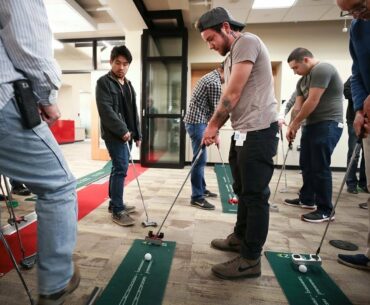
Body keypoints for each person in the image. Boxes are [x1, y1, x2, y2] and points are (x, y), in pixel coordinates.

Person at [0, 1, 79, 304]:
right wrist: (46, 95)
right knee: (59, 185)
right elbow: (26, 37)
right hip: (4, 100)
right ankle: (56, 284)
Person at [196, 7, 279, 279]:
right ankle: (240, 238)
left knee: (255, 196)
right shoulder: (233, 53)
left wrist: (212, 125)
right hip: (243, 132)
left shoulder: (248, 42)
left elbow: (232, 94)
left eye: (211, 39)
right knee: (243, 189)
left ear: (225, 27)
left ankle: (250, 259)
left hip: (258, 132)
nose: (210, 46)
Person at [285, 48, 343, 223]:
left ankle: (326, 210)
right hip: (311, 125)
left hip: (328, 123)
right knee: (307, 164)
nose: (295, 72)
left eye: (296, 68)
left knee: (320, 166)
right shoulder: (302, 81)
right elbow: (298, 106)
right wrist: (292, 126)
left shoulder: (323, 69)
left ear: (306, 60)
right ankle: (307, 199)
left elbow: (313, 100)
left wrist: (296, 124)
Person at [336, 0, 370, 270]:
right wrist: (359, 108)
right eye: (349, 11)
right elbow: (357, 73)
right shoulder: (358, 28)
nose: (356, 15)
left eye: (359, 5)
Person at [96, 45, 142, 227]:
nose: (121, 67)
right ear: (111, 62)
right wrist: (122, 130)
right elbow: (106, 111)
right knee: (121, 167)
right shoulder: (103, 82)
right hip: (114, 134)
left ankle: (115, 203)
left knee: (118, 168)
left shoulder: (128, 85)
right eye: (117, 63)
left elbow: (133, 111)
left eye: (125, 64)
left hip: (128, 135)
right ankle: (117, 210)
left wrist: (137, 134)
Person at [183, 64, 224, 210]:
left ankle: (202, 188)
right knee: (200, 160)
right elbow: (216, 111)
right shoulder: (215, 83)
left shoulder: (211, 77)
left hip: (197, 122)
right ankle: (197, 197)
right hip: (196, 123)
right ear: (226, 70)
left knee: (200, 158)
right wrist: (216, 133)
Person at [343, 76, 367, 194]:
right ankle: (351, 183)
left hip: (368, 121)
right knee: (354, 152)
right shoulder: (355, 77)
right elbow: (346, 91)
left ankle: (364, 183)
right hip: (354, 119)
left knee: (366, 155)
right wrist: (362, 98)